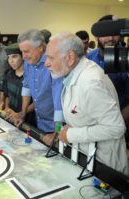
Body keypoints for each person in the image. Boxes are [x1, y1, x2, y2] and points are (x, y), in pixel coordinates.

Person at [45, 32, 129, 175]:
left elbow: (116, 128)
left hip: (105, 167)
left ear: (70, 58)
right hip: (87, 158)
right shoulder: (73, 74)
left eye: (51, 58)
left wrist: (71, 134)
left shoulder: (91, 82)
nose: (46, 63)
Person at [12, 29, 64, 145]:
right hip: (40, 123)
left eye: (26, 52)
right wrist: (22, 114)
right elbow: (26, 88)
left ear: (40, 47)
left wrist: (57, 131)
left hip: (57, 127)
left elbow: (59, 102)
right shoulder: (28, 62)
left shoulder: (53, 64)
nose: (23, 57)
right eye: (22, 52)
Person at [87, 15, 129, 146]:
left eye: (115, 34)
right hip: (92, 125)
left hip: (120, 124)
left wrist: (117, 122)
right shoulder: (89, 58)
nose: (111, 38)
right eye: (105, 34)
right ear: (96, 36)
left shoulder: (126, 58)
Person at [0, 43, 35, 125]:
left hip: (28, 120)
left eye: (14, 56)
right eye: (9, 57)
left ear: (23, 56)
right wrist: (7, 107)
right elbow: (7, 95)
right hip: (12, 117)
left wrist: (20, 113)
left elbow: (37, 101)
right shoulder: (8, 75)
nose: (11, 61)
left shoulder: (32, 76)